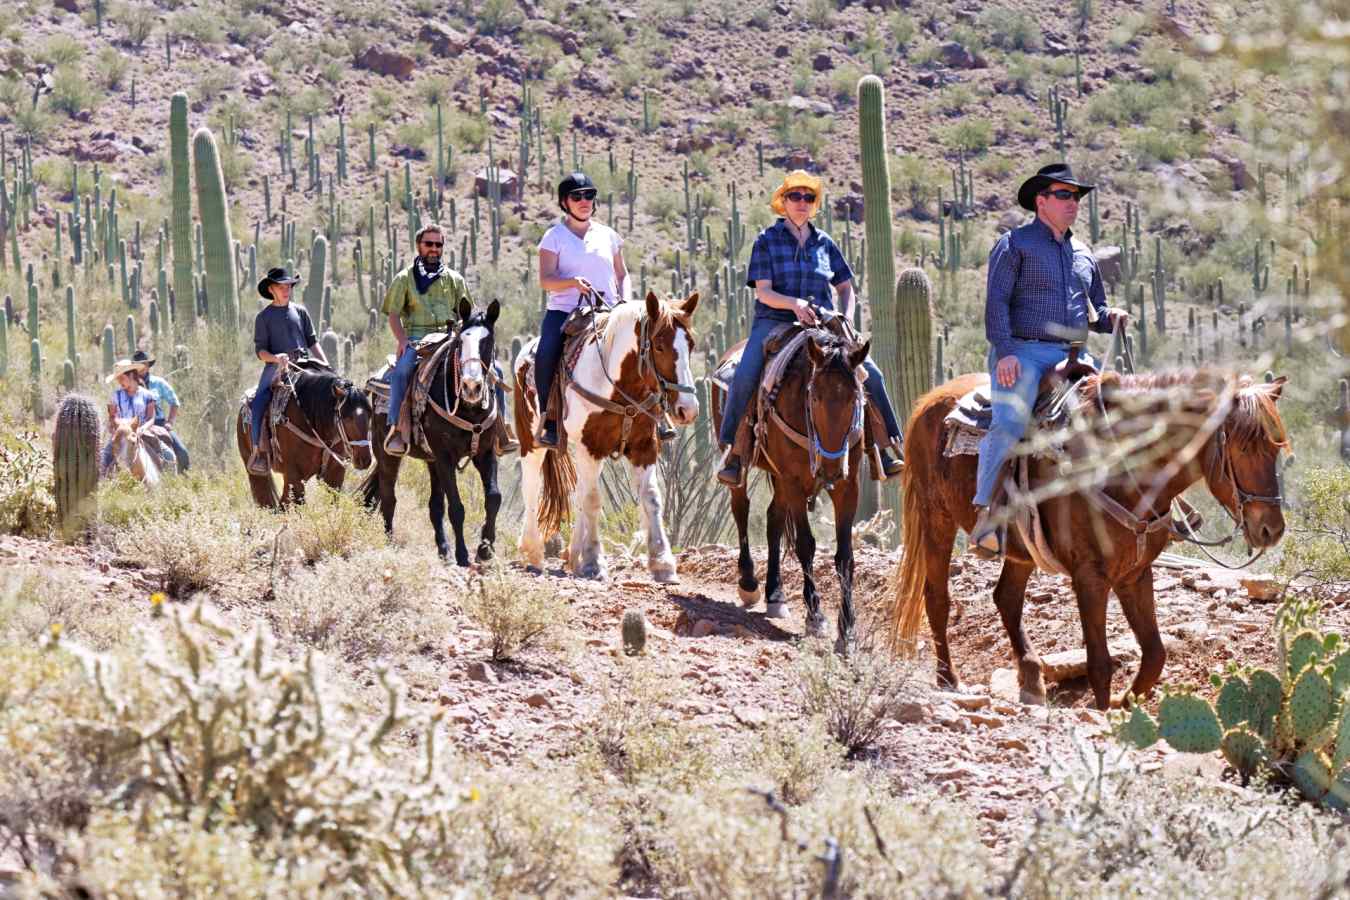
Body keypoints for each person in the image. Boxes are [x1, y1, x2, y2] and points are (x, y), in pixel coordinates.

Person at [969, 163, 1130, 558]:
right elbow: (997, 303)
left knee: (1119, 414)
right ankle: (986, 516)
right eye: (1063, 195)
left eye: (1076, 197)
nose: (1072, 203)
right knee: (1008, 423)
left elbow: (1097, 311)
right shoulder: (1015, 244)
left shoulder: (1083, 254)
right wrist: (1004, 351)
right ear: (1041, 202)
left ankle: (1140, 511)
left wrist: (1112, 318)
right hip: (1023, 351)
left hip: (1074, 354)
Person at [716, 170, 905, 487]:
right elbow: (763, 291)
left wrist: (844, 316)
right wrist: (793, 305)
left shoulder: (824, 243)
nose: (802, 202)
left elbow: (846, 287)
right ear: (783, 202)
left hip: (823, 323)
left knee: (871, 374)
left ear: (814, 204)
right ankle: (734, 453)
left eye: (808, 197)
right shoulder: (767, 241)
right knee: (745, 374)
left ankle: (886, 448)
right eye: (795, 196)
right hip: (775, 320)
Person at [381, 223, 514, 456]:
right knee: (401, 372)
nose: (434, 248)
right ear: (418, 246)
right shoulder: (404, 279)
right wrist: (402, 341)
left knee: (497, 372)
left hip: (449, 337)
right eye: (428, 244)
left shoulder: (454, 279)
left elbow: (468, 315)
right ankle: (397, 429)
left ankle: (499, 431)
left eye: (438, 244)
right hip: (417, 339)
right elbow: (393, 315)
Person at [534, 171, 631, 448]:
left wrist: (624, 302)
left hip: (609, 311)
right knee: (546, 353)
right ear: (565, 202)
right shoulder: (554, 237)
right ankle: (550, 419)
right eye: (577, 196)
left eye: (589, 195)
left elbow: (622, 275)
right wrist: (572, 283)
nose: (584, 200)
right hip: (566, 313)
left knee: (646, 347)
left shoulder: (608, 235)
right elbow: (545, 280)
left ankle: (656, 417)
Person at [248, 266, 328, 475]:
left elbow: (313, 342)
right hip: (276, 366)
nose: (286, 290)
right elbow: (260, 351)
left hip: (304, 362)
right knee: (258, 403)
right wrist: (275, 358)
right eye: (281, 286)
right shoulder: (264, 317)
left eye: (289, 286)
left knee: (332, 393)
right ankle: (260, 452)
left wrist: (326, 365)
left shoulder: (300, 311)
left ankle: (335, 448)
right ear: (271, 289)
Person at [101, 358, 163, 473]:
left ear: (131, 375)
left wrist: (142, 428)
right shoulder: (115, 395)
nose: (119, 381)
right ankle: (102, 480)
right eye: (118, 379)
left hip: (142, 431)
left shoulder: (147, 395)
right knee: (104, 458)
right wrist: (119, 426)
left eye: (121, 378)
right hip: (121, 433)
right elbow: (112, 417)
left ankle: (166, 477)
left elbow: (151, 417)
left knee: (164, 453)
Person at [131, 349, 189, 472]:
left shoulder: (159, 383)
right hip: (136, 425)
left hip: (159, 423)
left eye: (143, 364)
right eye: (137, 365)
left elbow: (174, 402)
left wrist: (170, 422)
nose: (140, 367)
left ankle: (185, 478)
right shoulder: (129, 384)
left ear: (147, 366)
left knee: (182, 452)